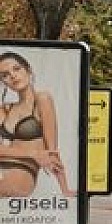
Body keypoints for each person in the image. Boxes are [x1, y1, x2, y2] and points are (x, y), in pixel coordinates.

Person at [0, 51, 74, 196]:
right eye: (5, 75)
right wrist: (33, 153)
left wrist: (65, 189)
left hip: (21, 172)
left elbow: (52, 151)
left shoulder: (42, 99)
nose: (13, 76)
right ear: (3, 82)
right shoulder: (5, 109)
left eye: (16, 69)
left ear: (28, 70)